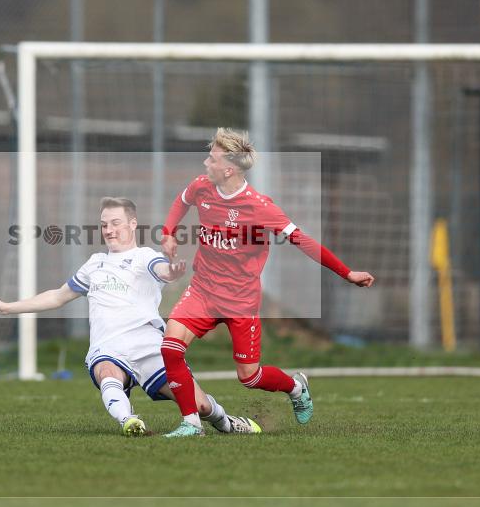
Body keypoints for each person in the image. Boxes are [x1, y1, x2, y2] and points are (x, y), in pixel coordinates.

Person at [0, 197, 262, 436]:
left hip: (149, 346)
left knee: (200, 407)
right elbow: (57, 296)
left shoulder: (144, 257)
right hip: (109, 346)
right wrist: (7, 307)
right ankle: (129, 420)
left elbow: (161, 269)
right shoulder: (95, 264)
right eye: (104, 225)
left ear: (132, 224)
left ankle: (227, 423)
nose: (109, 230)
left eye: (115, 223)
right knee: (107, 372)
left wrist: (172, 272)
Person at [159, 128, 376, 437]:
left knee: (248, 377)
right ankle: (192, 423)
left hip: (240, 302)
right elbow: (180, 202)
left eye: (213, 158)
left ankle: (295, 387)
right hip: (203, 292)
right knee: (170, 348)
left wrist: (347, 273)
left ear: (229, 169)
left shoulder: (259, 207)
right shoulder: (202, 187)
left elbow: (304, 242)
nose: (206, 162)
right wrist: (168, 233)